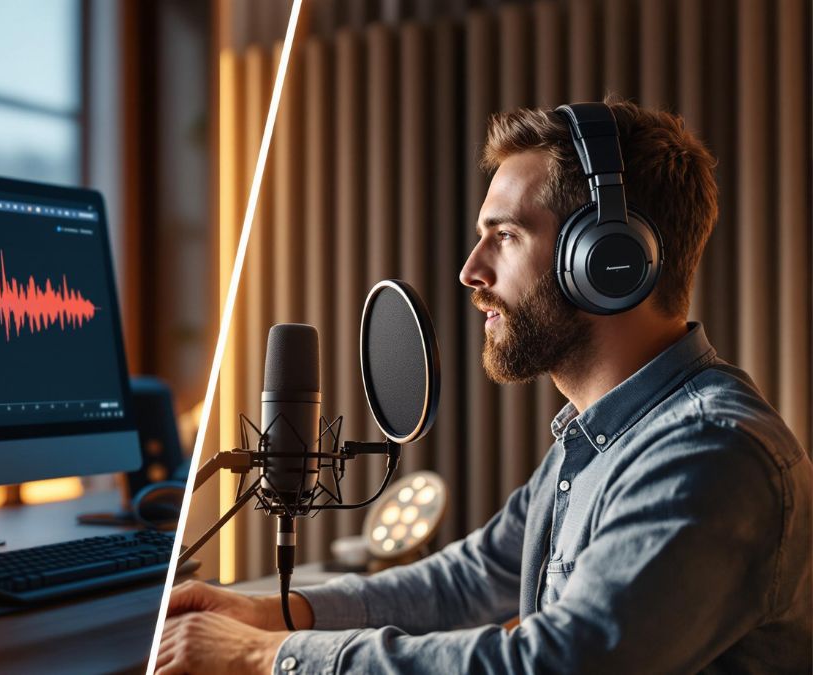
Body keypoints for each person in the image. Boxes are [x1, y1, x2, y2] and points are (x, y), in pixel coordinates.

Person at [157, 99, 812, 674]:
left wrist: (261, 656)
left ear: (608, 259)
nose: (471, 271)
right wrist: (274, 613)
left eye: (505, 235)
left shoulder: (709, 454)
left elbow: (556, 662)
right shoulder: (597, 439)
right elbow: (469, 581)